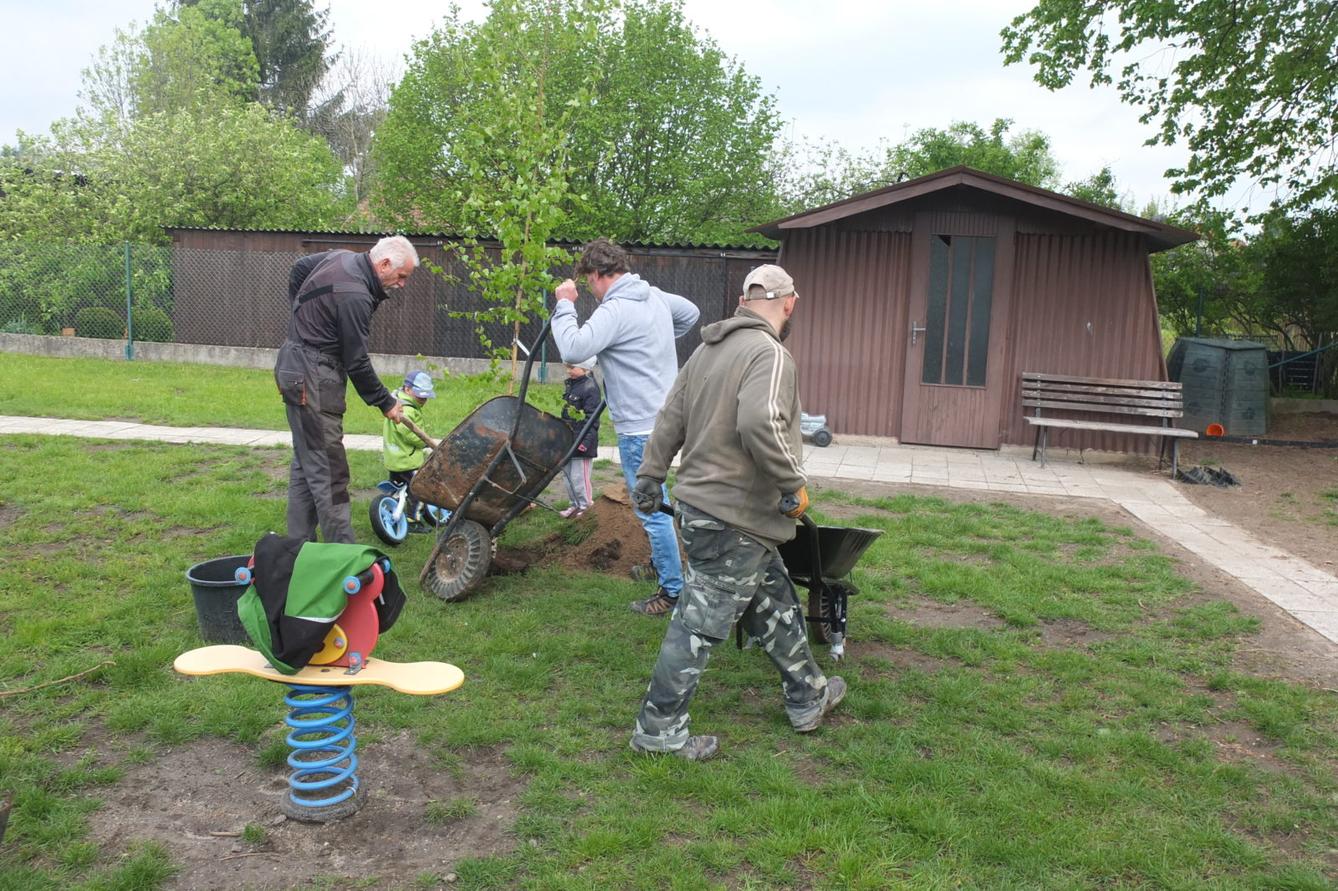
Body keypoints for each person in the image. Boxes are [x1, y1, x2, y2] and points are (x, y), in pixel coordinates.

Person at [627, 264, 845, 761]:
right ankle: (658, 733)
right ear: (789, 303)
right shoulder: (770, 353)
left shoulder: (708, 350)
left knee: (774, 600)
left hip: (703, 509)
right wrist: (794, 482)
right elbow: (759, 421)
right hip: (734, 516)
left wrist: (650, 475)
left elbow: (671, 416)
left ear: (744, 300)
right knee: (697, 624)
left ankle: (807, 695)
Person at [551, 238, 700, 615]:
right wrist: (652, 342)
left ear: (599, 275)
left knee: (651, 507)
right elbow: (691, 313)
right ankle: (661, 562)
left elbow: (573, 349)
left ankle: (672, 591)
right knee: (661, 498)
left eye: (589, 283)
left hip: (639, 427)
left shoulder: (615, 309)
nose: (591, 291)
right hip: (670, 418)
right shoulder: (653, 296)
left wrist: (566, 304)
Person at [274, 235, 419, 544]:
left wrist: (301, 316)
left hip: (293, 365)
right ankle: (343, 555)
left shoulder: (341, 257)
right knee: (329, 472)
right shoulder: (356, 295)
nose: (402, 284)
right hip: (313, 376)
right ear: (383, 265)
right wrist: (386, 402)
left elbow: (299, 268)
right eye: (401, 276)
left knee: (307, 461)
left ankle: (298, 547)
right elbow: (356, 361)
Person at [383, 370, 436, 530]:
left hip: (394, 458)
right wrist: (424, 443)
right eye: (420, 396)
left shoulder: (396, 404)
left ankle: (390, 512)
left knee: (397, 488)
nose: (423, 400)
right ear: (407, 389)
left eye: (425, 397)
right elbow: (409, 432)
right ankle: (413, 521)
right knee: (418, 490)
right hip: (408, 460)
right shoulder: (407, 410)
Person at [559, 357, 601, 518]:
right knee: (568, 476)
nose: (569, 371)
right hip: (569, 439)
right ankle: (574, 505)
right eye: (568, 367)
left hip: (582, 441)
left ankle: (586, 506)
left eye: (573, 368)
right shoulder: (572, 385)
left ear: (586, 369)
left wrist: (584, 442)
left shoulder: (590, 388)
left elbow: (592, 419)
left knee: (579, 478)